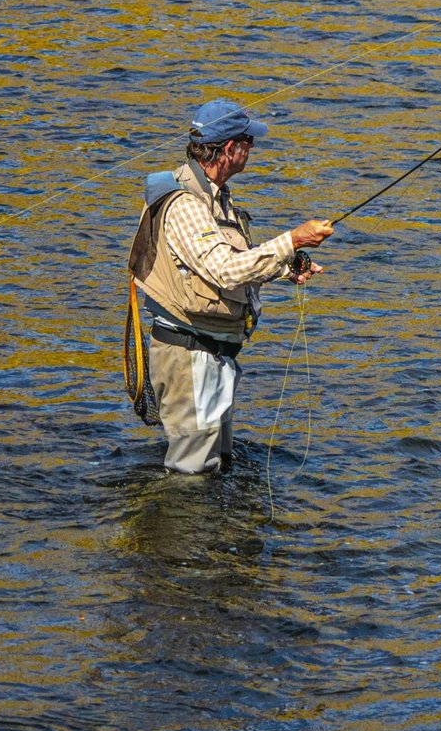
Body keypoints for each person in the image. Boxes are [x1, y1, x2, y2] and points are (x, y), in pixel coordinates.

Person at [126, 98, 333, 474]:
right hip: (190, 356)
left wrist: (285, 268)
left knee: (215, 467)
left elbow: (225, 263)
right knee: (190, 478)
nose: (252, 148)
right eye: (247, 141)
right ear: (227, 150)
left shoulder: (216, 198)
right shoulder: (185, 204)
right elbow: (223, 270)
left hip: (212, 354)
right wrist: (291, 241)